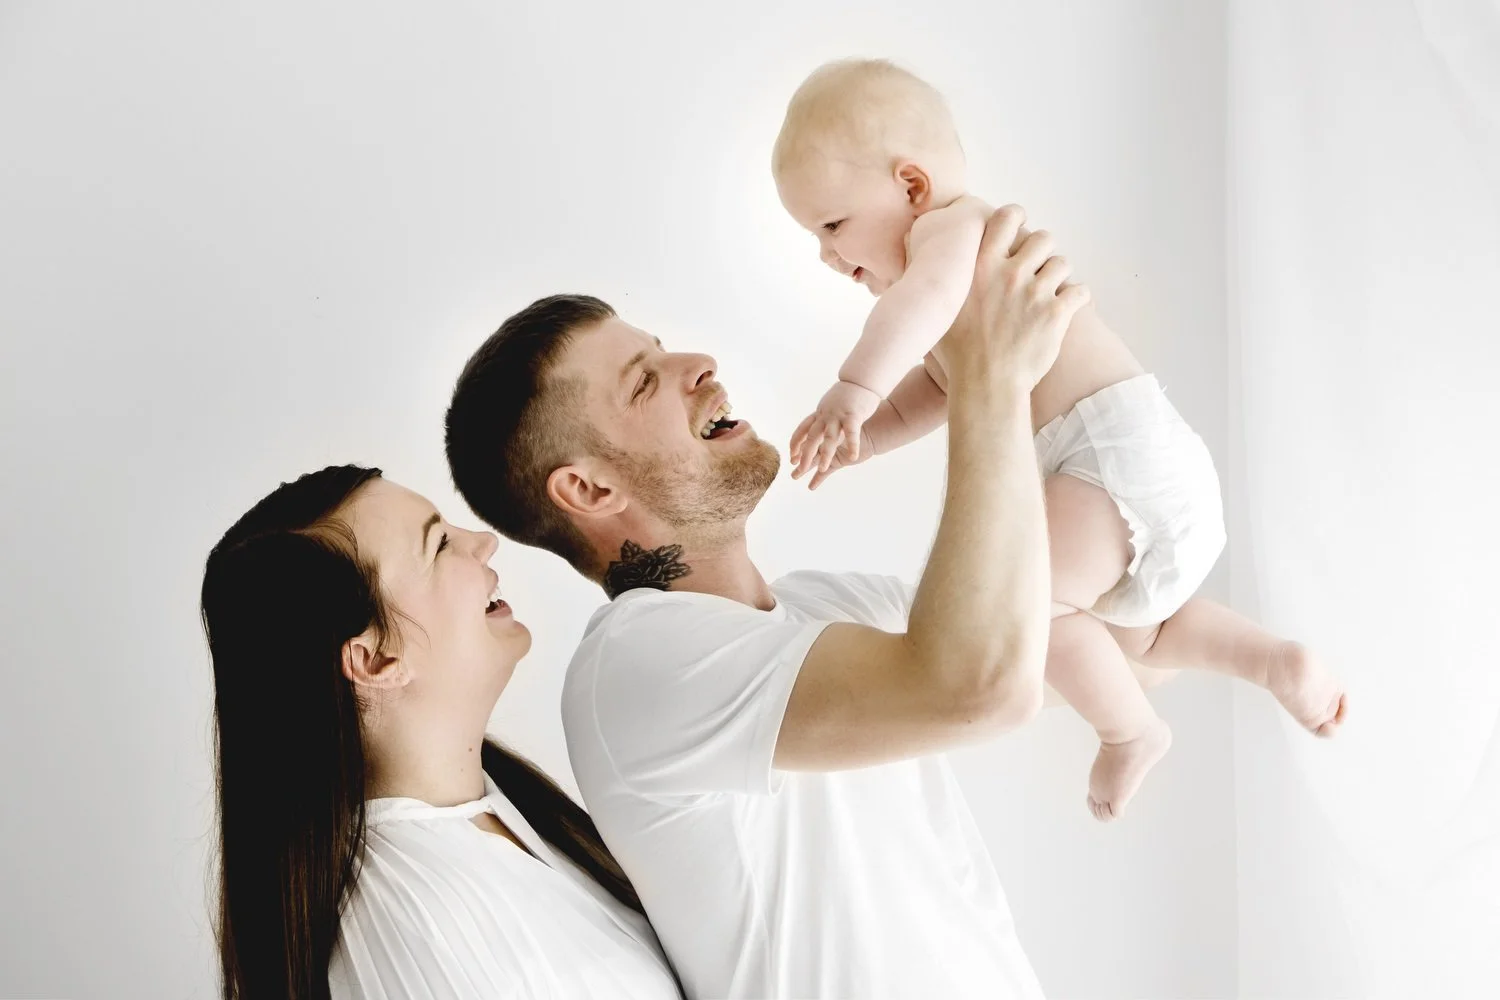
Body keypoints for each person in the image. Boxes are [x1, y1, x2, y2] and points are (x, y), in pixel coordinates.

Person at [445, 205, 1082, 998]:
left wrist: (1085, 396)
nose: (699, 363)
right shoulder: (633, 666)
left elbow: (1087, 651)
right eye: (645, 381)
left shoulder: (826, 607)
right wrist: (991, 377)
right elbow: (979, 686)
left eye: (660, 349)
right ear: (588, 488)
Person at [771, 58, 1349, 818]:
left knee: (1019, 610)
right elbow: (948, 386)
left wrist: (852, 391)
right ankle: (1274, 661)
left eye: (834, 226)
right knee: (1135, 635)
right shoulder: (969, 281)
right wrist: (870, 438)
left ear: (911, 186)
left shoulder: (951, 232)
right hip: (1133, 462)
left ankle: (1130, 732)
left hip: (1108, 455)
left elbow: (918, 303)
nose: (828, 257)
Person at [200, 465, 682, 999]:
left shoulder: (507, 813)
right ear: (376, 658)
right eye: (438, 546)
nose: (483, 542)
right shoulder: (407, 925)